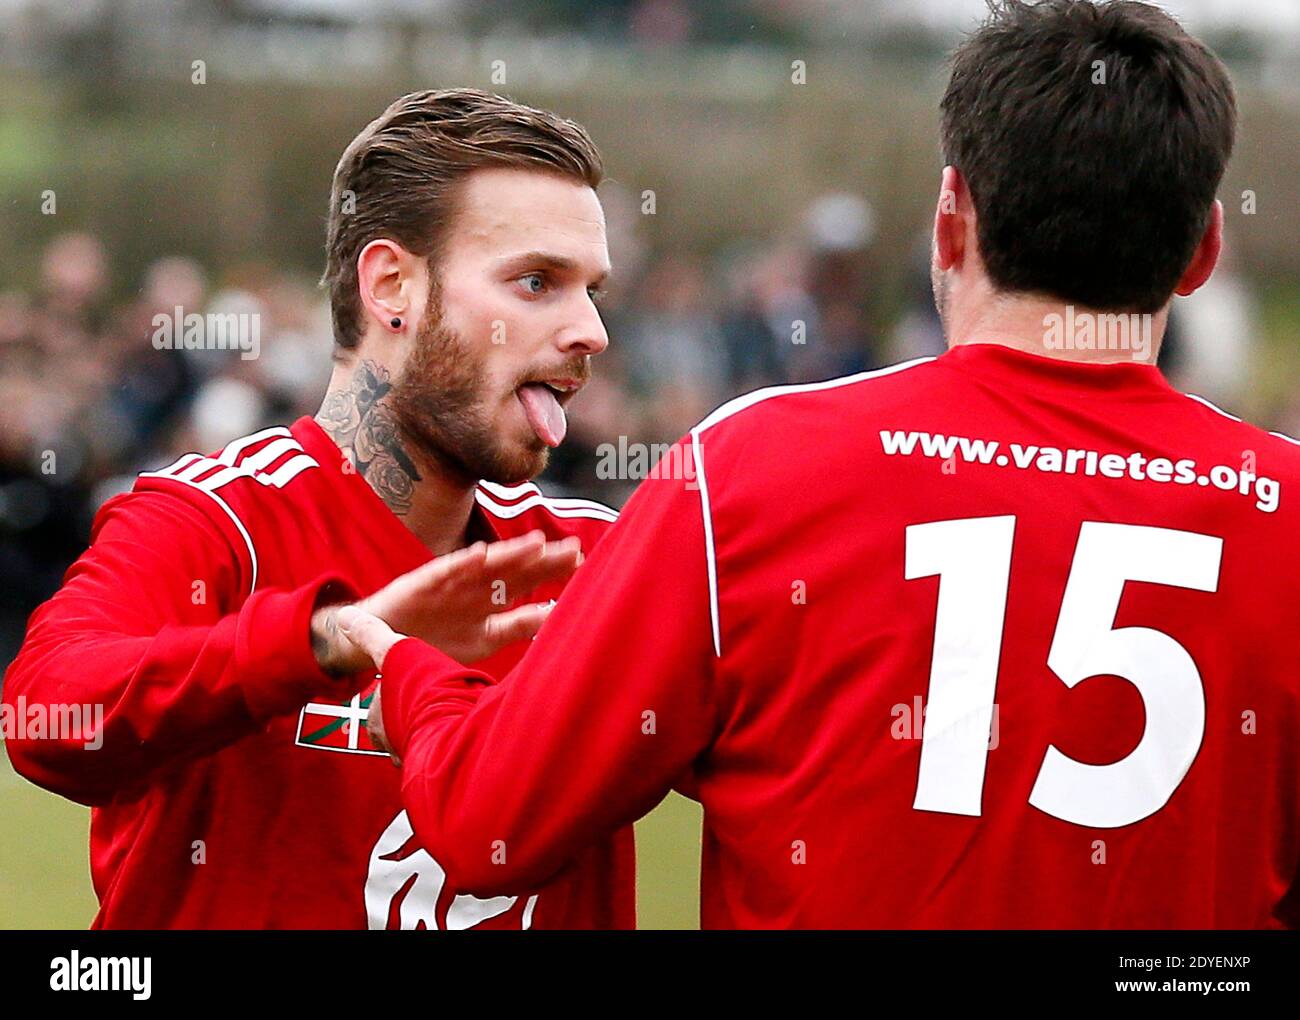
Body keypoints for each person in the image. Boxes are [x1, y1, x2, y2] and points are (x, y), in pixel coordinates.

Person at [343, 1, 1300, 928]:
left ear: (950, 219)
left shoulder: (757, 466)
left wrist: (415, 675)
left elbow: (488, 825)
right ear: (1204, 247)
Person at [2, 89, 635, 929]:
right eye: (536, 282)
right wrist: (321, 642)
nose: (590, 329)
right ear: (392, 286)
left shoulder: (599, 561)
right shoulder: (211, 521)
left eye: (590, 290)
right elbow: (45, 714)